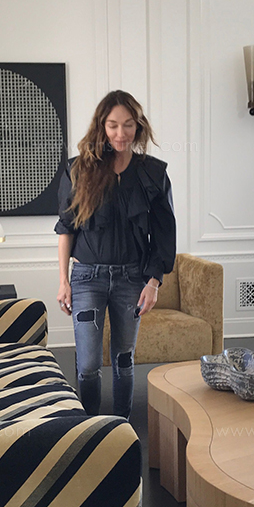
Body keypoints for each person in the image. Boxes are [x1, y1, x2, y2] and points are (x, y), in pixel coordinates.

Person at [55, 90, 176, 419]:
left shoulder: (152, 173)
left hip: (131, 279)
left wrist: (153, 283)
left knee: (124, 359)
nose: (121, 133)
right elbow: (66, 228)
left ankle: (122, 427)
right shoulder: (78, 170)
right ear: (101, 126)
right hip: (86, 279)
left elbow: (164, 233)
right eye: (113, 125)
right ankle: (90, 429)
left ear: (139, 126)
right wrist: (63, 281)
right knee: (88, 364)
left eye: (128, 125)